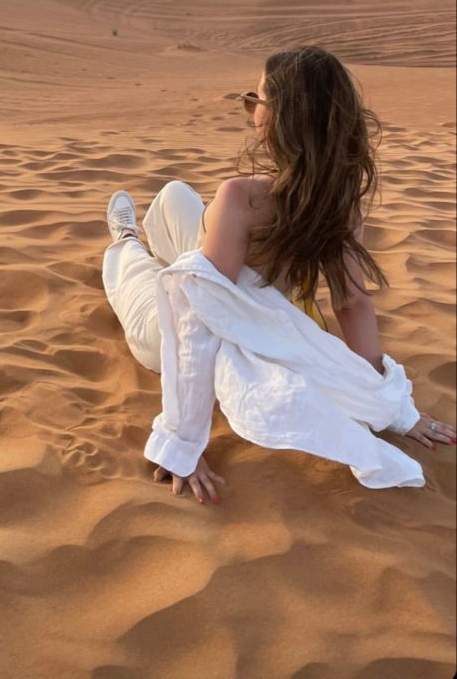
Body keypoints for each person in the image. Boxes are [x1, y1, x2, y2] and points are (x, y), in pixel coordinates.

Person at [102, 45, 457, 503]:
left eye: (258, 101)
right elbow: (353, 304)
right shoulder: (339, 202)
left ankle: (125, 241)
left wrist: (183, 441)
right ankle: (184, 264)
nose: (251, 111)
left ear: (282, 117)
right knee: (173, 196)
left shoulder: (241, 199)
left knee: (140, 280)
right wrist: (389, 403)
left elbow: (197, 326)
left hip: (189, 329)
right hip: (225, 281)